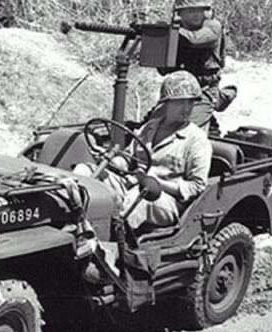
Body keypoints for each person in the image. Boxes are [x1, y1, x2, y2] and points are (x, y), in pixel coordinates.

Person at [76, 70, 212, 231]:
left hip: (165, 197)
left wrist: (158, 182)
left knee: (136, 200)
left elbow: (197, 186)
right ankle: (73, 219)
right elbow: (128, 158)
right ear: (166, 103)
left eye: (190, 102)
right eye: (180, 102)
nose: (187, 108)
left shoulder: (197, 140)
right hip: (134, 180)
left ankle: (112, 244)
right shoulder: (150, 127)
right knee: (84, 171)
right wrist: (111, 160)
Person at [159, 0, 237, 133]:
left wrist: (170, 32)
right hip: (178, 91)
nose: (195, 14)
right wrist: (156, 39)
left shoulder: (213, 26)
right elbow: (163, 69)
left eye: (199, 10)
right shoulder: (177, 31)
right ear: (180, 13)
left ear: (207, 11)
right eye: (189, 10)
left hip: (204, 90)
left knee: (186, 132)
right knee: (154, 125)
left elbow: (195, 40)